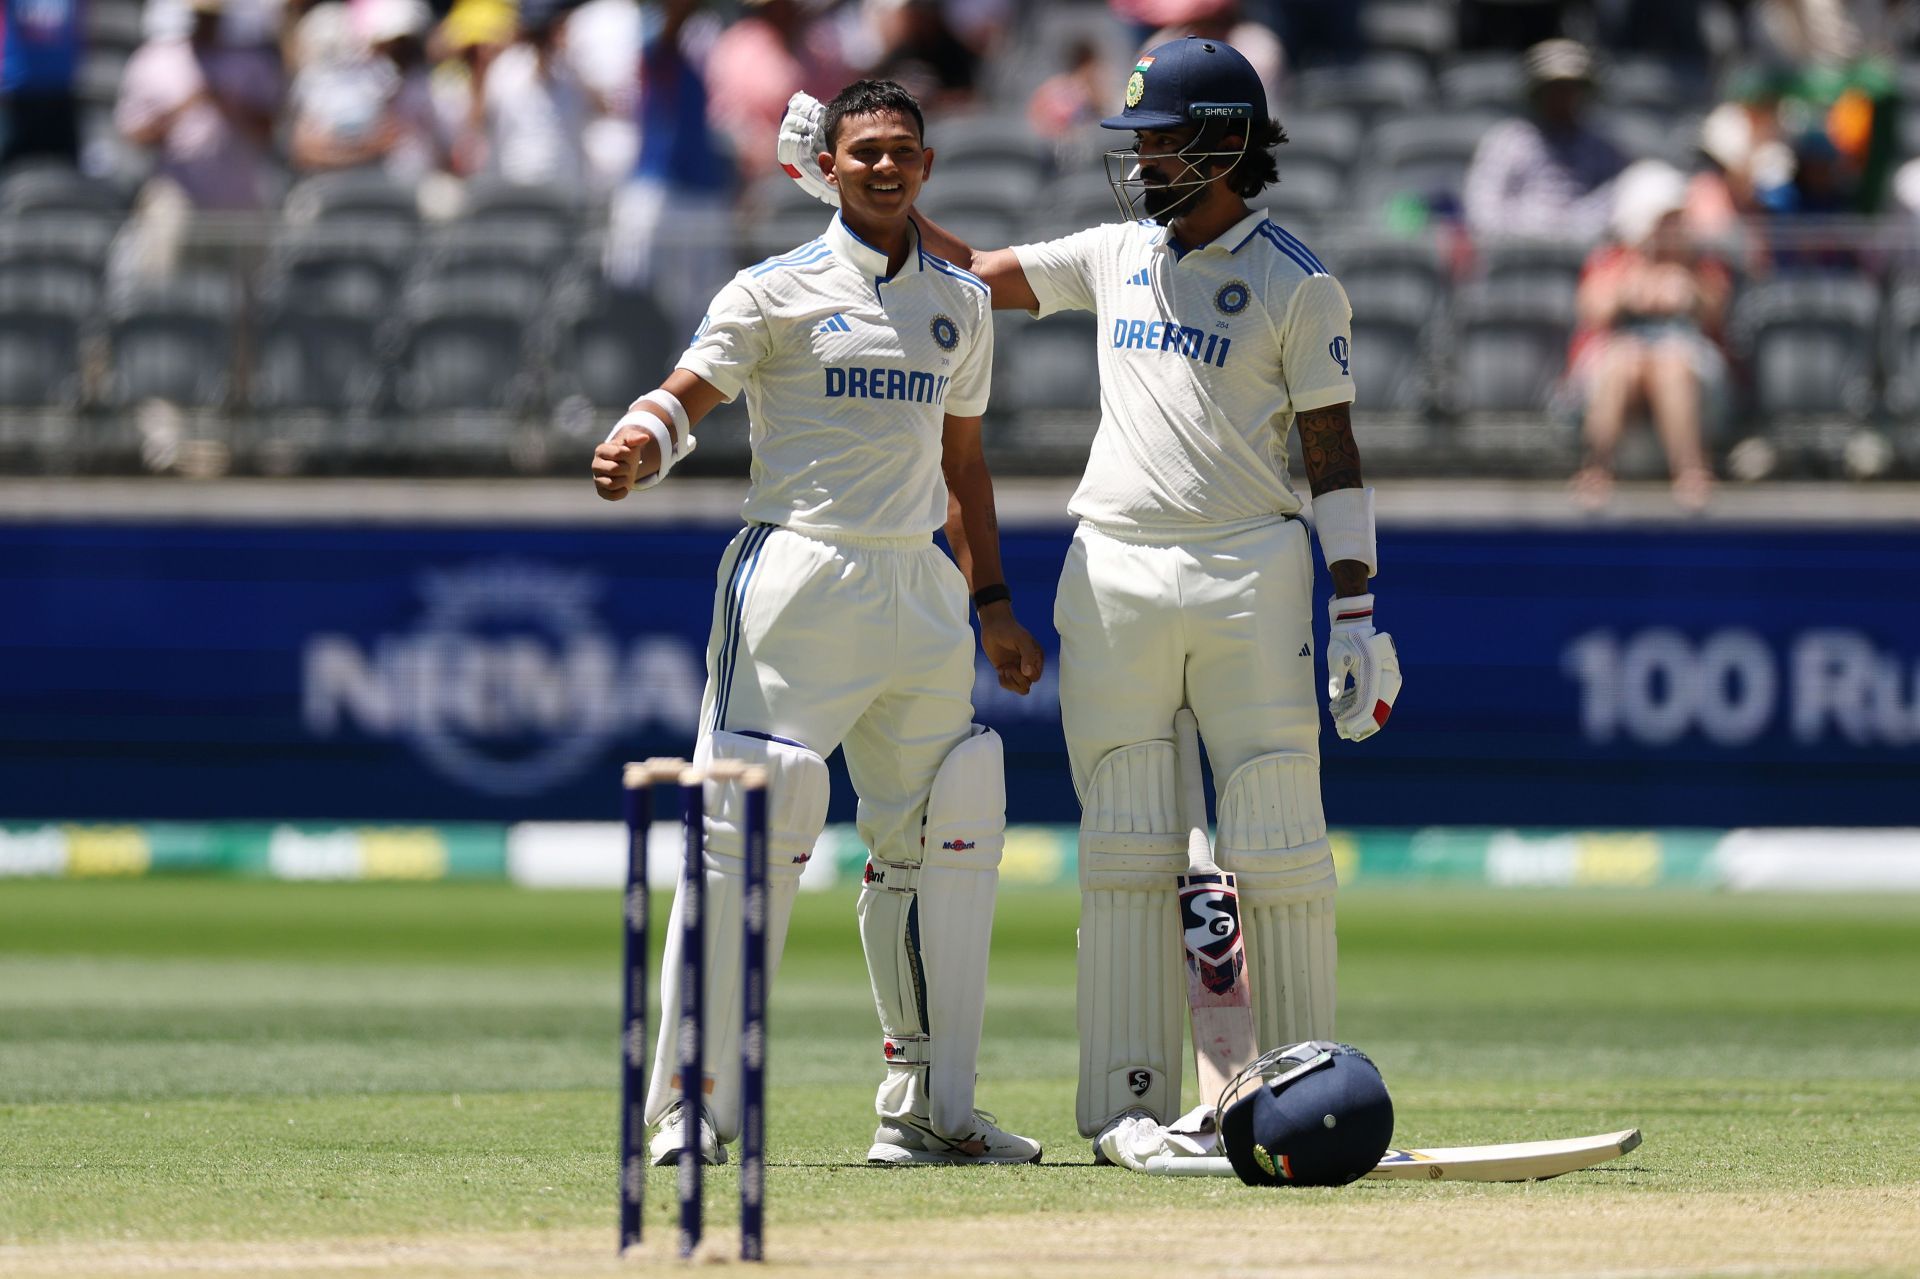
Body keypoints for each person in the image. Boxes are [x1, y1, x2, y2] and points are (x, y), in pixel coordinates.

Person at [779, 35, 1402, 1168]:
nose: (1143, 159)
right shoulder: (1118, 252)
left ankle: (1305, 1092)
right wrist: (849, 190)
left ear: (1223, 141)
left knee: (1275, 835)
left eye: (1162, 138)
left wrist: (1358, 609)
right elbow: (973, 276)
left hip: (1250, 572)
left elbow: (1336, 455)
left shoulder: (1297, 282)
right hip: (1111, 566)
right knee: (1124, 838)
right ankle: (1128, 1109)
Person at [592, 79, 1046, 1168]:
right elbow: (687, 391)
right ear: (828, 168)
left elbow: (964, 465)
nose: (885, 167)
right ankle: (690, 1108)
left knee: (945, 831)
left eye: (903, 151)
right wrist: (638, 442)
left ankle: (932, 1107)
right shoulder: (771, 289)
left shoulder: (962, 304)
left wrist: (993, 605)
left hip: (920, 591)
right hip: (796, 575)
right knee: (743, 827)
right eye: (866, 152)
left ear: (926, 168)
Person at [1567, 160, 1730, 512]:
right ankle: (1596, 470)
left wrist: (1690, 293)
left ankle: (1691, 472)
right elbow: (1591, 309)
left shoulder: (1700, 264)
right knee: (1624, 358)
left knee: (1671, 361)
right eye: (1663, 218)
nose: (1673, 227)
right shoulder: (1612, 260)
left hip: (1692, 380)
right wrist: (1627, 290)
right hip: (1619, 373)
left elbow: (1718, 308)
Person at [1462, 38, 1625, 242]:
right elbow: (1483, 207)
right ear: (1537, 91)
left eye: (1570, 88)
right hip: (1515, 253)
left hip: (1583, 252)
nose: (1562, 96)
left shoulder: (1601, 148)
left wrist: (1570, 229)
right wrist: (1525, 234)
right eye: (1554, 88)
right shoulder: (1508, 141)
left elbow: (1613, 201)